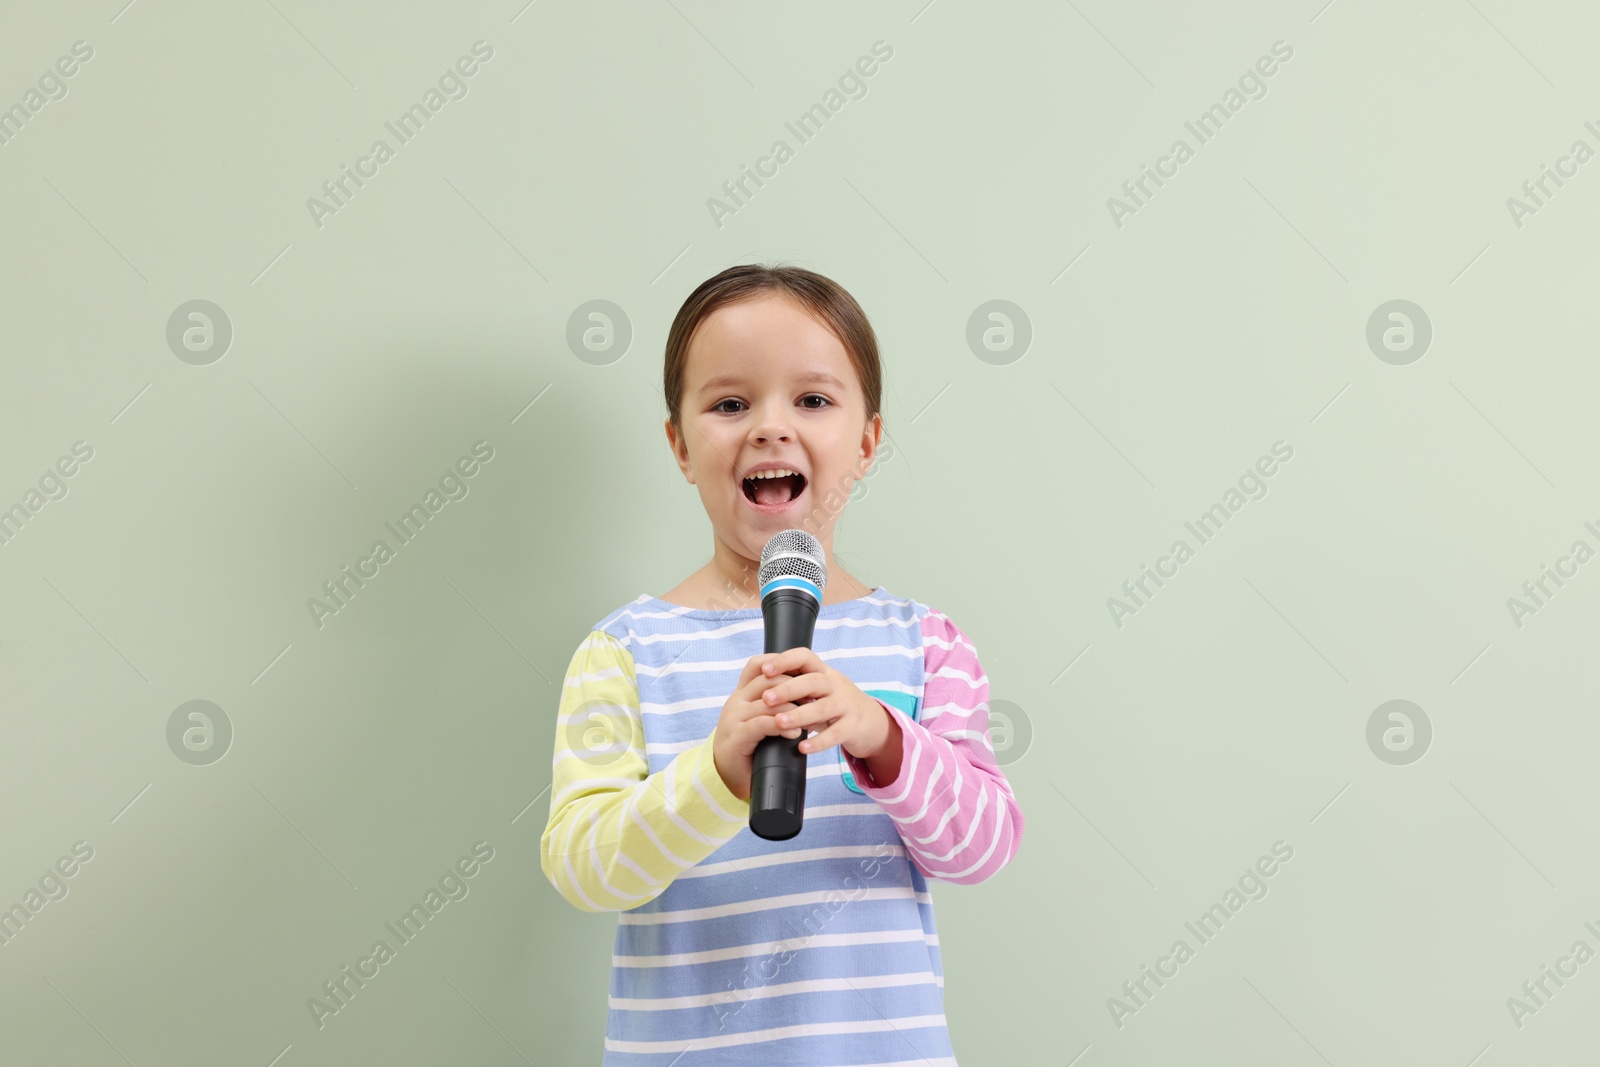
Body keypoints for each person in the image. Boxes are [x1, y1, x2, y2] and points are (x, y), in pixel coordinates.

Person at [540, 263, 1025, 1064]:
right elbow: (585, 869)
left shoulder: (925, 642)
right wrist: (718, 775)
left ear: (867, 441)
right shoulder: (624, 652)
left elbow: (983, 846)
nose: (769, 427)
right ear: (680, 445)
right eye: (730, 404)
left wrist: (883, 735)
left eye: (813, 399)